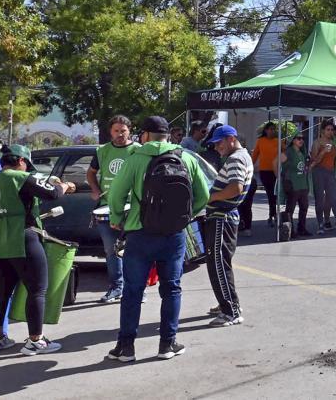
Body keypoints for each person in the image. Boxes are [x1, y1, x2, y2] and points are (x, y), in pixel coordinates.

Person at [107, 116, 211, 362]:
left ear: (145, 135)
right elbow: (204, 195)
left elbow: (116, 195)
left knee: (133, 290)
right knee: (171, 288)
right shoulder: (185, 157)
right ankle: (167, 344)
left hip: (140, 233)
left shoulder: (135, 159)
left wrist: (116, 217)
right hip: (174, 235)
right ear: (167, 135)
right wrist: (185, 216)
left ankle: (126, 348)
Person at [0, 144, 76, 355]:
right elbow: (52, 194)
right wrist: (66, 185)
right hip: (23, 237)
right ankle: (36, 340)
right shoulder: (20, 177)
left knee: (1, 291)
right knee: (37, 290)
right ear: (21, 161)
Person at [203, 125, 252, 327]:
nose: (216, 147)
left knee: (218, 265)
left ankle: (230, 311)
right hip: (225, 217)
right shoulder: (240, 156)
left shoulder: (236, 159)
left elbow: (235, 188)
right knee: (221, 264)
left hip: (222, 217)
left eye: (219, 143)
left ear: (231, 138)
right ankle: (228, 303)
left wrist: (209, 197)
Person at [87, 115, 135, 304]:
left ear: (129, 130)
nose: (120, 134)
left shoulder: (137, 150)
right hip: (106, 208)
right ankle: (116, 287)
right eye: (116, 131)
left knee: (134, 250)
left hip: (133, 208)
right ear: (110, 132)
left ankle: (135, 289)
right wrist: (95, 190)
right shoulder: (102, 151)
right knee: (111, 250)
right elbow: (90, 173)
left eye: (123, 130)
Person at [309, 121, 336, 235]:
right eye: (328, 129)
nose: (330, 132)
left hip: (331, 172)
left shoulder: (334, 142)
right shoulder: (317, 143)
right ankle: (320, 224)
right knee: (319, 199)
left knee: (334, 199)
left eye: (332, 130)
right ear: (323, 131)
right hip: (318, 172)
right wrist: (323, 152)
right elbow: (313, 161)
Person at [244, 122, 282, 235]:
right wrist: (248, 168)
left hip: (276, 171)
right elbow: (255, 155)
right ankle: (272, 214)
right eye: (269, 129)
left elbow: (285, 152)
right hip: (264, 171)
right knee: (270, 193)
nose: (271, 131)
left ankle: (274, 214)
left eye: (273, 129)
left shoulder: (279, 141)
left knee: (275, 194)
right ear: (265, 130)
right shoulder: (260, 141)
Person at [281, 134, 312, 237]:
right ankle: (290, 230)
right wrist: (280, 176)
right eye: (298, 138)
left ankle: (301, 229)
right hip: (292, 183)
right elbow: (276, 162)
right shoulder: (289, 151)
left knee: (304, 207)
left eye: (303, 138)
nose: (301, 140)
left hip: (303, 183)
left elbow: (305, 166)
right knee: (290, 208)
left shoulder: (302, 151)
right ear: (293, 140)